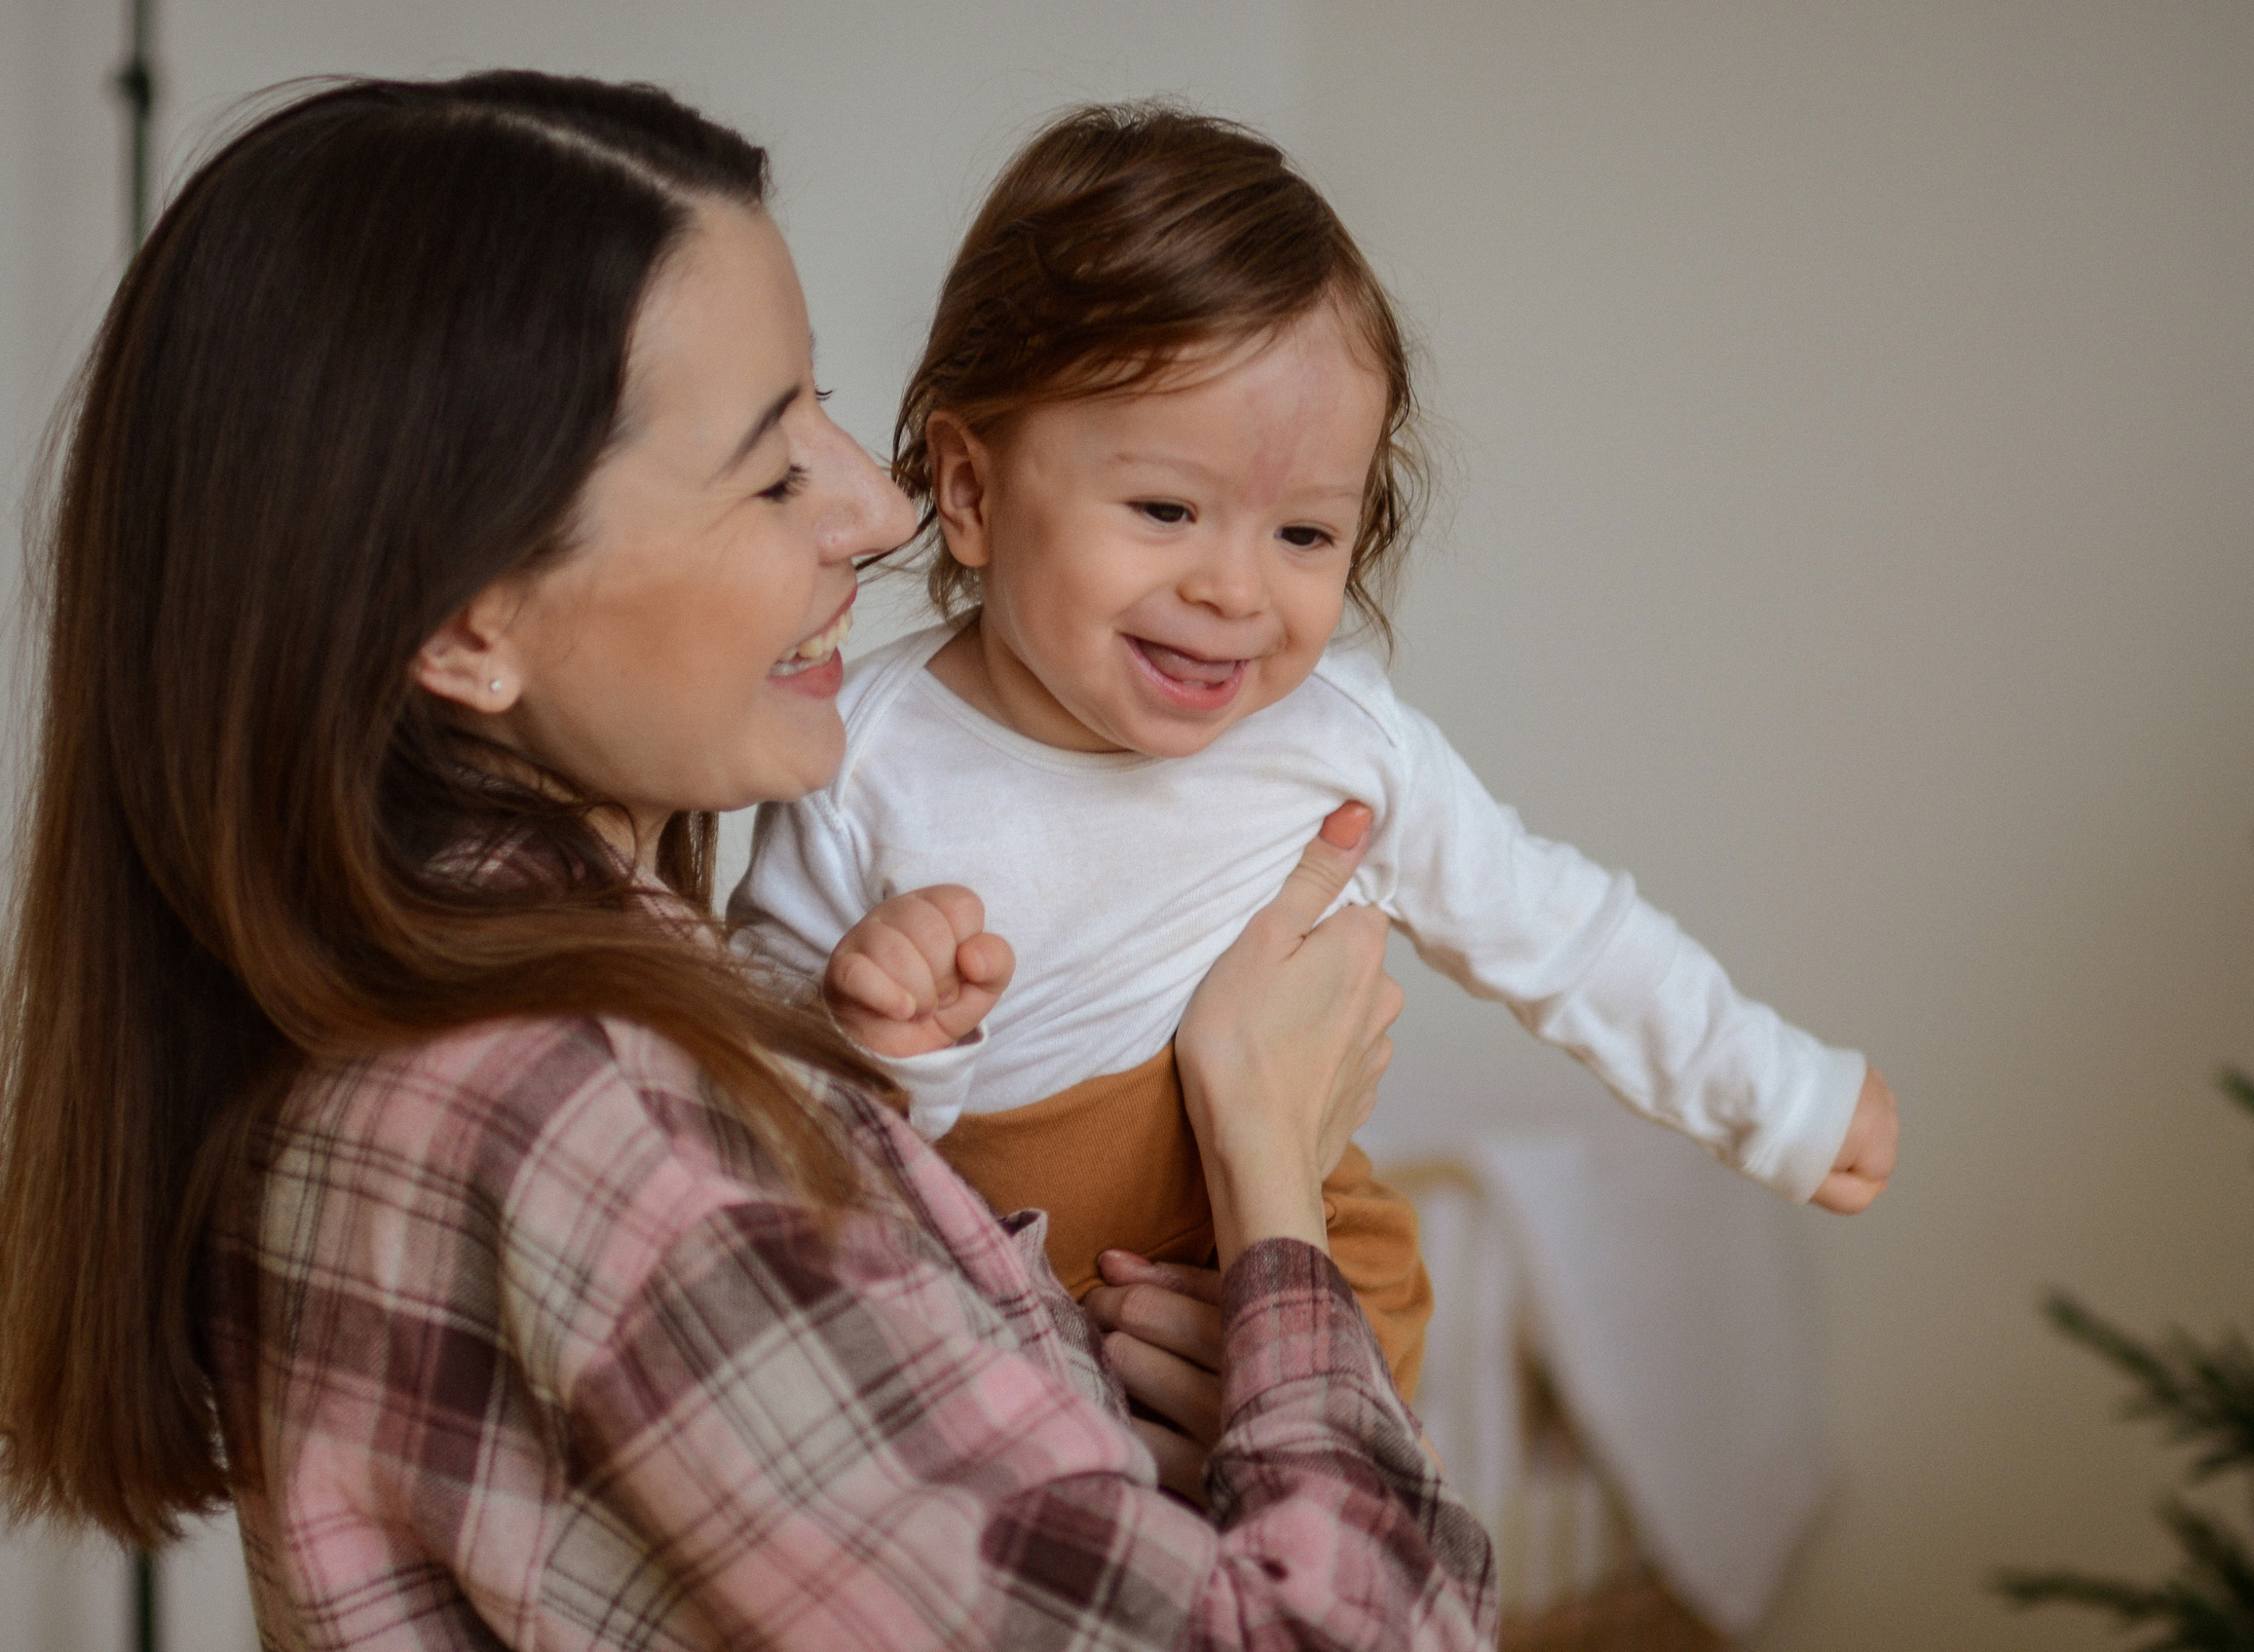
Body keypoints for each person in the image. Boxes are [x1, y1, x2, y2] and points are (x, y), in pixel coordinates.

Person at [0, 72, 1500, 1649]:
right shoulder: (601, 1122)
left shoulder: (425, 1044)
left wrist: (1137, 1438)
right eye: (773, 468)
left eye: (825, 405)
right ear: (470, 623)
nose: (880, 505)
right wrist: (1266, 1168)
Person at [732, 104, 1903, 1398]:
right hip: (987, 1297)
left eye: (1303, 536)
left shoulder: (1334, 740)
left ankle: (1319, 1531)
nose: (1238, 589)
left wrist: (1778, 1098)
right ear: (971, 489)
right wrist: (884, 1041)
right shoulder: (864, 758)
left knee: (1372, 1333)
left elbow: (1559, 928)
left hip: (1290, 1259)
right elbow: (768, 1130)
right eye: (1167, 510)